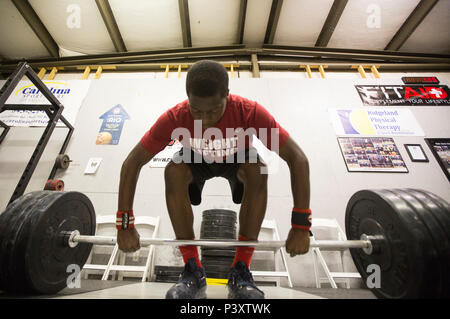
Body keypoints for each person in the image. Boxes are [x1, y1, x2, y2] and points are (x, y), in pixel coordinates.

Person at [116, 60, 311, 299]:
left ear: (227, 96)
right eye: (197, 111)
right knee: (173, 170)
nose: (206, 119)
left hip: (237, 160)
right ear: (188, 99)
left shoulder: (249, 112)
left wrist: (301, 225)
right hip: (196, 160)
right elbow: (131, 163)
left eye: (214, 111)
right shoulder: (175, 117)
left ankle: (241, 270)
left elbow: (298, 158)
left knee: (258, 168)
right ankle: (192, 269)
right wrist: (125, 225)